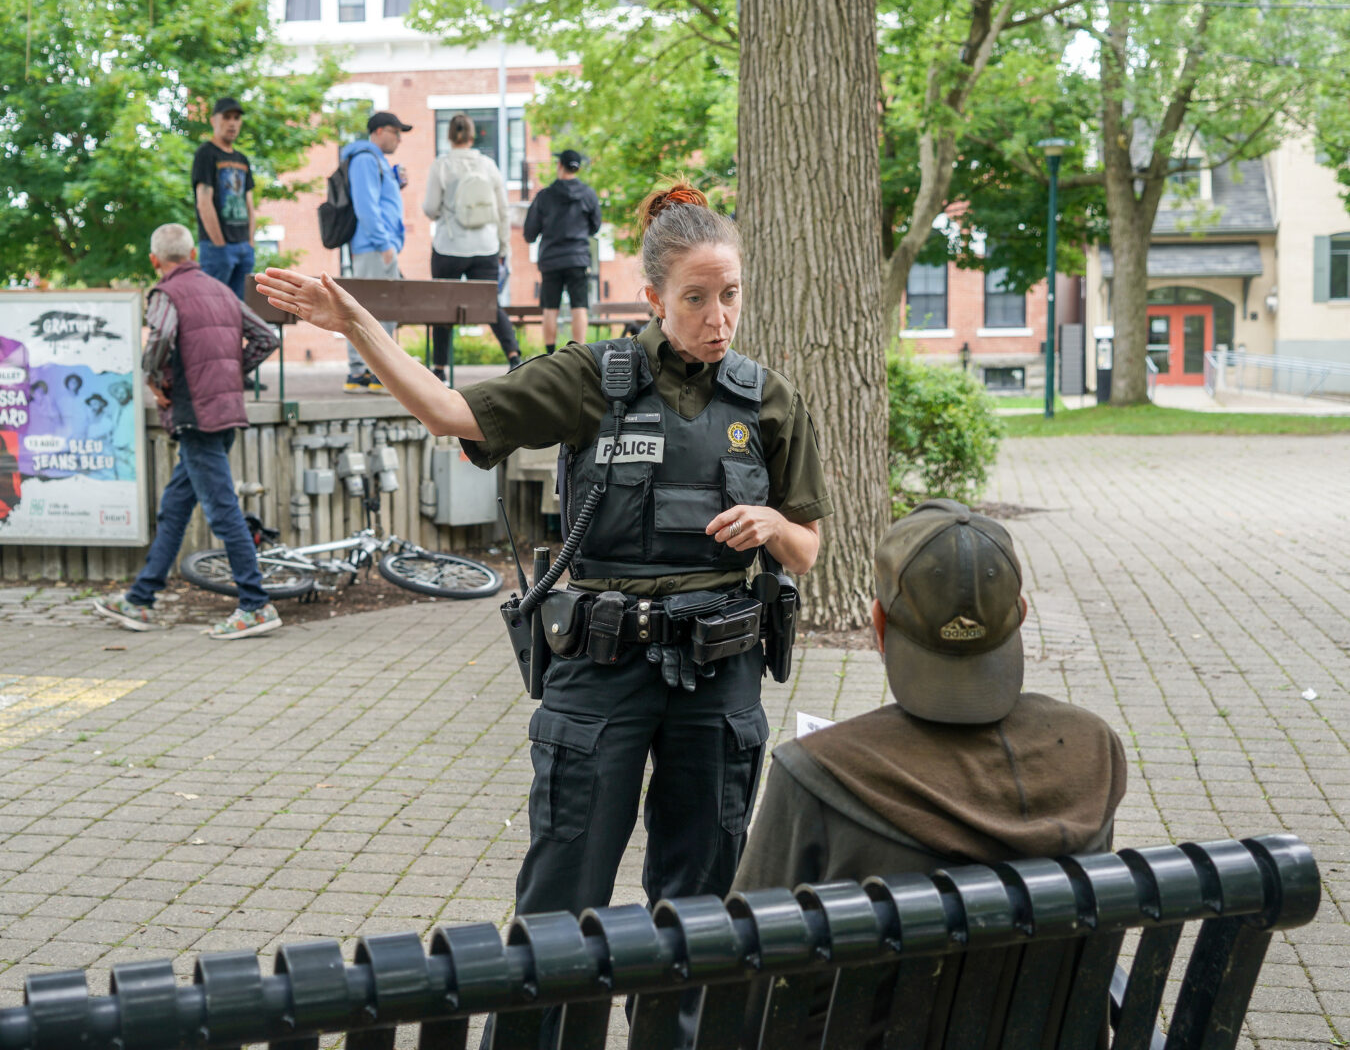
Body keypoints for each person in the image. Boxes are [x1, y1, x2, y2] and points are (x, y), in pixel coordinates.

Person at [256, 179, 833, 1044]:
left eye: (732, 295)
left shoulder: (769, 400)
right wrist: (359, 329)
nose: (719, 318)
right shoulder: (592, 379)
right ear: (653, 297)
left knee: (699, 907)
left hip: (719, 678)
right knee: (562, 901)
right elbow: (451, 411)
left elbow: (810, 546)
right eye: (697, 299)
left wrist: (775, 525)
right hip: (600, 673)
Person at [732, 499, 1128, 892]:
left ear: (879, 623)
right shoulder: (1094, 749)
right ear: (1021, 614)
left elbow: (748, 941)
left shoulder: (815, 774)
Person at [94, 223, 281, 640]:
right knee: (176, 507)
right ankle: (140, 600)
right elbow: (265, 338)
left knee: (222, 511)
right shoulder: (220, 290)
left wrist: (154, 380)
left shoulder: (167, 293)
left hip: (195, 413)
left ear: (154, 260)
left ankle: (255, 604)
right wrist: (231, 373)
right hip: (225, 409)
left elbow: (160, 335)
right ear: (193, 251)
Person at [422, 112, 521, 380]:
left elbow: (430, 209)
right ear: (472, 135)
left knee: (444, 305)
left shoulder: (441, 165)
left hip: (449, 246)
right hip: (485, 246)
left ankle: (440, 368)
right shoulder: (488, 166)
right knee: (490, 303)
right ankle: (514, 355)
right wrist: (503, 249)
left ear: (449, 136)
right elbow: (502, 210)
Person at [341, 111, 412, 394]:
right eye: (396, 132)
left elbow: (379, 202)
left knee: (380, 309)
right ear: (380, 131)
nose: (399, 139)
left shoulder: (376, 162)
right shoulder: (365, 160)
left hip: (377, 247)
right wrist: (384, 245)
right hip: (374, 248)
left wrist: (396, 182)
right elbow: (366, 207)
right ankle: (365, 372)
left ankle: (370, 371)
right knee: (374, 310)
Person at [523, 148, 601, 352]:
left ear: (559, 166)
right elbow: (596, 226)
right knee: (579, 307)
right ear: (578, 168)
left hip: (551, 260)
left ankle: (549, 354)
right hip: (578, 259)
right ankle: (580, 354)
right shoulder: (588, 195)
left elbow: (529, 233)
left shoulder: (545, 196)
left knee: (550, 308)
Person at [192, 96, 256, 300]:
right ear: (213, 120)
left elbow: (249, 204)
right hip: (217, 248)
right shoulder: (206, 154)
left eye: (237, 118)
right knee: (213, 307)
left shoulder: (242, 159)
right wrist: (219, 244)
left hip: (243, 247)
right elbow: (204, 202)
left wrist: (250, 243)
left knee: (240, 311)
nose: (232, 123)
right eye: (227, 117)